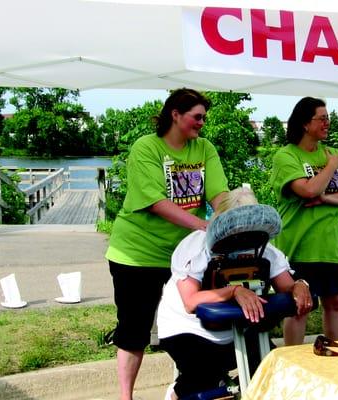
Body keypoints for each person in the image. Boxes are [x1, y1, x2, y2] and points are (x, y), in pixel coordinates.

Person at [105, 88, 229, 400]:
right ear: (175, 114)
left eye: (204, 118)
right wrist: (204, 225)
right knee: (134, 330)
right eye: (196, 117)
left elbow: (219, 194)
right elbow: (156, 202)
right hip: (137, 254)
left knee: (195, 322)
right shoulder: (146, 147)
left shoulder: (204, 149)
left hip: (186, 258)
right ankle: (126, 397)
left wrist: (230, 218)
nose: (202, 123)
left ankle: (184, 387)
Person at [156, 187, 313, 400]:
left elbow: (287, 285)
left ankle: (240, 389)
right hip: (187, 330)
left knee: (269, 371)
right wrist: (233, 291)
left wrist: (300, 285)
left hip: (237, 328)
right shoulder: (196, 245)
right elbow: (190, 301)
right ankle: (177, 393)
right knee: (205, 384)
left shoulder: (263, 247)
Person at [270, 97, 338, 345]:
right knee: (300, 306)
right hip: (300, 246)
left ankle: (336, 361)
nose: (327, 123)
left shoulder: (333, 153)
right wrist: (331, 167)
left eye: (328, 117)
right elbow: (308, 190)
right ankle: (294, 365)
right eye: (321, 118)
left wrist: (325, 200)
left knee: (336, 302)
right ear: (304, 123)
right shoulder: (287, 156)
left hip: (332, 245)